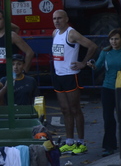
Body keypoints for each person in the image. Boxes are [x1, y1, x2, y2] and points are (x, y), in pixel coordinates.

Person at [51, 9, 97, 156]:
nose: (57, 21)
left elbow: (92, 46)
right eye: (54, 18)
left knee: (75, 109)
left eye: (59, 18)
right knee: (65, 110)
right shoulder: (54, 33)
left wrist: (83, 63)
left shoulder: (71, 33)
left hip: (71, 75)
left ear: (66, 19)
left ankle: (81, 142)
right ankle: (69, 141)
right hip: (58, 75)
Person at [91, 28, 121, 157]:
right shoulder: (105, 52)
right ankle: (109, 146)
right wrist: (92, 65)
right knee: (108, 118)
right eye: (111, 39)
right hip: (108, 87)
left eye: (116, 39)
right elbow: (98, 66)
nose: (114, 41)